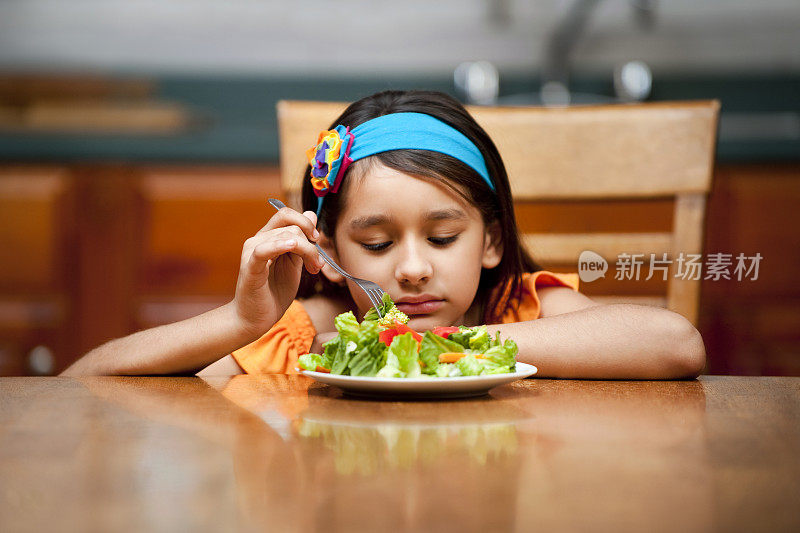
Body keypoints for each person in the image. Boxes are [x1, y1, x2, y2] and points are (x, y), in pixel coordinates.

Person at [62, 90, 706, 379]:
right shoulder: (313, 334)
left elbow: (675, 344)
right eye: (376, 245)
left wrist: (452, 344)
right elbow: (86, 381)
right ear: (329, 251)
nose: (413, 269)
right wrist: (240, 321)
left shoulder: (521, 307)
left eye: (443, 237)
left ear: (491, 240)